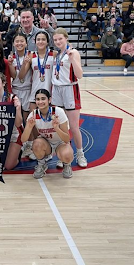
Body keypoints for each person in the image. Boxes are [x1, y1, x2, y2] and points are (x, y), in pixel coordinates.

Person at [50, 28, 87, 168]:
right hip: (57, 90)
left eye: (60, 39)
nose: (58, 41)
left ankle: (80, 154)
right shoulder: (57, 55)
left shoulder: (73, 52)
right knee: (60, 125)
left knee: (74, 126)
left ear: (66, 38)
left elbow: (80, 74)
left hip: (70, 88)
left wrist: (72, 59)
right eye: (55, 40)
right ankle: (63, 153)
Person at [22, 89, 74, 179]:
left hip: (60, 143)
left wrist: (56, 128)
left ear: (49, 100)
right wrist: (29, 127)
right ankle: (42, 164)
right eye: (38, 99)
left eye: (43, 99)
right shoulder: (33, 115)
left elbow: (66, 139)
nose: (40, 102)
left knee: (67, 155)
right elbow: (23, 139)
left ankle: (66, 165)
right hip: (46, 143)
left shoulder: (59, 112)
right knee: (36, 144)